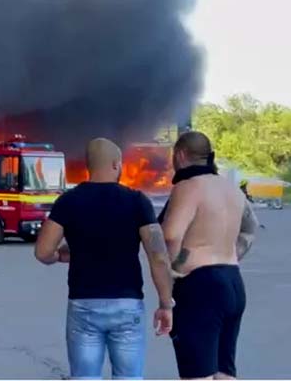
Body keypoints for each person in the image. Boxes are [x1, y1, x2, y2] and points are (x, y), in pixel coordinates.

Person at [35, 138, 173, 380]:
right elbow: (158, 256)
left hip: (84, 305)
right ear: (116, 164)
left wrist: (60, 255)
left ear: (89, 166)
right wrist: (165, 304)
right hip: (127, 304)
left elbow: (43, 252)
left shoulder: (68, 201)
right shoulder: (137, 201)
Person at [161, 131, 258, 380]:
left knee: (197, 373)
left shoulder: (188, 187)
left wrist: (175, 268)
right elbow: (251, 228)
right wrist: (230, 253)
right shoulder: (231, 189)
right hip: (233, 281)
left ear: (180, 155)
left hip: (201, 286)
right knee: (224, 371)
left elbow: (171, 235)